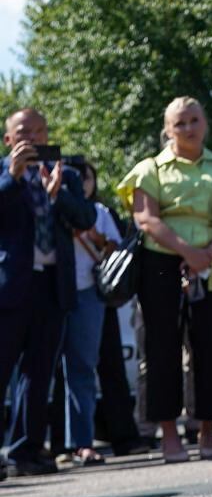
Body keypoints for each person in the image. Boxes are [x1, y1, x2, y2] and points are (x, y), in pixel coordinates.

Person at [115, 98, 212, 462]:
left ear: (205, 123)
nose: (188, 129)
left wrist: (209, 252)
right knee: (160, 347)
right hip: (161, 261)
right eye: (180, 123)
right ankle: (169, 435)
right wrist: (186, 252)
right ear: (168, 129)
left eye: (194, 121)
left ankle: (206, 430)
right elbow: (146, 219)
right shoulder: (150, 169)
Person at [0, 109, 95, 477]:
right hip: (11, 286)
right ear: (9, 139)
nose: (34, 137)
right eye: (25, 131)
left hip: (52, 286)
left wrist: (59, 196)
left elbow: (86, 219)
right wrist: (12, 176)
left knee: (39, 374)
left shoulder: (65, 174)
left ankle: (26, 451)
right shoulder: (4, 173)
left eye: (41, 131)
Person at [61, 157, 121, 465]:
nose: (80, 182)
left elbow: (116, 250)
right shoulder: (44, 203)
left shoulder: (97, 212)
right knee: (38, 373)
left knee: (82, 368)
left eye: (84, 177)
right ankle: (46, 444)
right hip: (49, 292)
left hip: (88, 292)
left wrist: (92, 236)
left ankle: (81, 442)